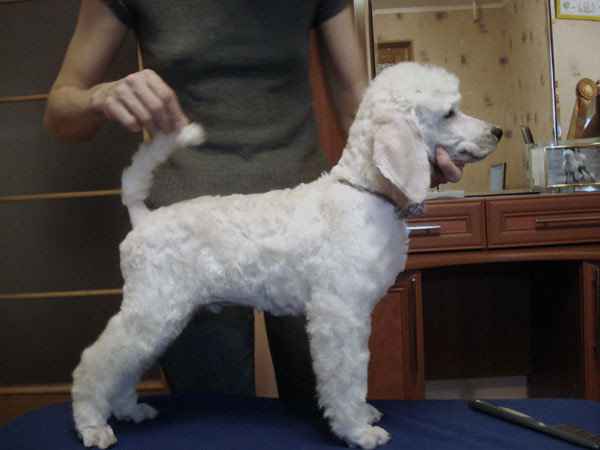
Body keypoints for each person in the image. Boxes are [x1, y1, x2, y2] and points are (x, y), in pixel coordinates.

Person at [44, 0, 463, 398]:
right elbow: (60, 113)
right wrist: (100, 96)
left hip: (308, 224)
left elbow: (357, 108)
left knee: (323, 407)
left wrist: (409, 160)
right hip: (189, 229)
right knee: (214, 418)